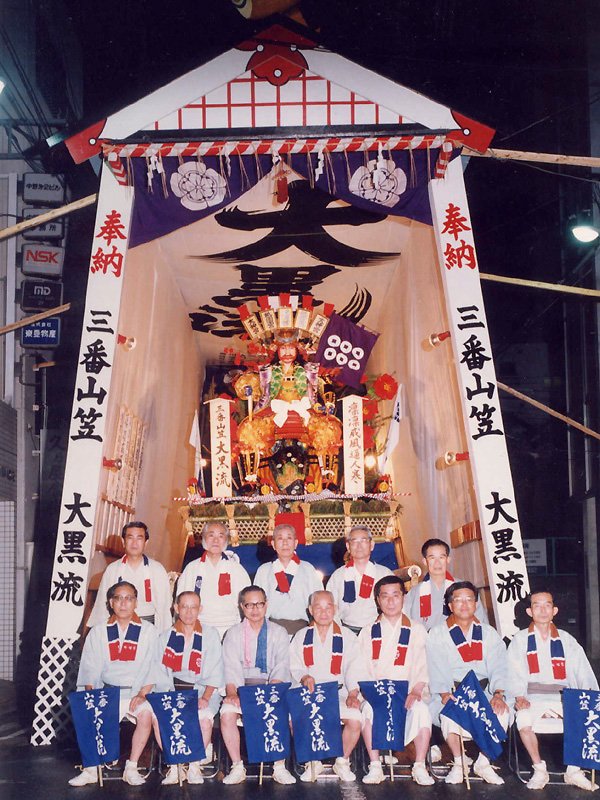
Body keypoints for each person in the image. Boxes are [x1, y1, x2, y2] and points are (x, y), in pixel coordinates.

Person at [507, 589, 599, 791]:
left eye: (547, 605)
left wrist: (589, 698)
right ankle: (539, 769)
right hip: (531, 696)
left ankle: (573, 771)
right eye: (537, 605)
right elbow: (513, 672)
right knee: (523, 719)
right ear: (530, 611)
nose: (542, 610)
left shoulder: (567, 640)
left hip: (564, 697)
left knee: (584, 712)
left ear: (554, 610)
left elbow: (583, 672)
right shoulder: (520, 640)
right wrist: (519, 696)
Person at [69, 582, 157, 787]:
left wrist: (142, 694)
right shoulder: (99, 631)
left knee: (145, 715)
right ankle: (91, 769)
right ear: (111, 602)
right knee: (89, 711)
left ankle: (131, 767)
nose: (123, 603)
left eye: (129, 598)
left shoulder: (148, 631)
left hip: (137, 692)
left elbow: (153, 665)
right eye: (118, 598)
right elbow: (90, 667)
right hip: (107, 691)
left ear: (136, 602)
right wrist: (93, 695)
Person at [426, 581, 509, 785]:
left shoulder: (489, 633)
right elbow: (435, 666)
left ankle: (483, 762)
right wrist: (444, 693)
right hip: (452, 691)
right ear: (450, 605)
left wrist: (498, 694)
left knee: (502, 712)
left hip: (483, 691)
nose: (464, 604)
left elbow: (499, 665)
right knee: (448, 713)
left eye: (469, 599)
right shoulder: (437, 633)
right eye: (458, 600)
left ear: (476, 604)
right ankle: (458, 762)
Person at [357, 575, 434, 785]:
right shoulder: (368, 632)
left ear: (403, 598)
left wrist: (417, 690)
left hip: (408, 692)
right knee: (368, 710)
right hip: (378, 693)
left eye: (395, 595)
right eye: (385, 596)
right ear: (377, 600)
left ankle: (419, 766)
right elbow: (360, 666)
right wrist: (369, 693)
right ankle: (375, 766)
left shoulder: (417, 630)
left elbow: (424, 664)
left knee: (421, 710)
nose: (390, 601)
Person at [220, 585, 295, 785]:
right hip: (242, 689)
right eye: (249, 605)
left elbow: (282, 665)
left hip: (272, 687)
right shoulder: (233, 633)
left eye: (259, 604)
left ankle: (279, 766)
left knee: (279, 709)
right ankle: (237, 766)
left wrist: (271, 692)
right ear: (242, 607)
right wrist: (233, 693)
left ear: (266, 605)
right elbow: (230, 666)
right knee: (227, 714)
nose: (255, 609)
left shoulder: (279, 632)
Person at [151, 591, 224, 785]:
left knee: (204, 721)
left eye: (194, 607)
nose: (189, 612)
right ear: (176, 608)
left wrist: (205, 698)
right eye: (184, 607)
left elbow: (216, 670)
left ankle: (194, 765)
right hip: (172, 690)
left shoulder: (210, 634)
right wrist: (167, 697)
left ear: (200, 609)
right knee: (159, 719)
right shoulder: (165, 636)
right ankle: (175, 766)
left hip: (201, 691)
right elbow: (159, 672)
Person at [289, 590, 363, 782]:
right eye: (318, 608)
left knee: (355, 719)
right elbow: (294, 665)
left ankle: (342, 761)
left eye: (328, 607)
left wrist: (353, 693)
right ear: (310, 610)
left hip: (338, 693)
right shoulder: (301, 636)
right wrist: (304, 676)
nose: (323, 612)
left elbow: (354, 667)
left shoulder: (347, 636)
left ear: (335, 609)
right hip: (309, 693)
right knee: (294, 718)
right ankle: (312, 762)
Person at [87, 521, 173, 631]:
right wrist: (98, 631)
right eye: (130, 538)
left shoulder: (157, 569)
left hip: (148, 628)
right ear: (123, 541)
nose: (134, 543)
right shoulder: (112, 569)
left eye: (139, 538)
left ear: (146, 542)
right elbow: (102, 606)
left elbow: (164, 608)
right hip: (118, 626)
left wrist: (164, 635)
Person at [176, 521, 250, 638]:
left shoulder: (237, 569)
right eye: (211, 535)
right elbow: (180, 603)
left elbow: (247, 603)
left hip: (230, 628)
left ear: (226, 540)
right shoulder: (192, 568)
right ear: (203, 538)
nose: (216, 540)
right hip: (199, 627)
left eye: (220, 536)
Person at [404, 538, 488, 631]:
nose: (437, 563)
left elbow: (480, 621)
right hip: (425, 639)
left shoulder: (464, 589)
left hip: (459, 638)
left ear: (448, 559)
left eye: (441, 557)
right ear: (425, 561)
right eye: (432, 558)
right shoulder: (414, 592)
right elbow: (406, 624)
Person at [254, 522, 323, 635]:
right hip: (271, 630)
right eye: (280, 538)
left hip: (302, 630)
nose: (285, 542)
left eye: (289, 538)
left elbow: (319, 601)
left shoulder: (307, 569)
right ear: (273, 544)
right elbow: (256, 604)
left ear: (295, 543)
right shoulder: (264, 570)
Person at [326, 525, 393, 632]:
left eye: (363, 540)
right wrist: (341, 632)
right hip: (347, 630)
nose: (359, 546)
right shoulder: (338, 576)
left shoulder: (385, 574)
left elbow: (395, 606)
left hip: (379, 630)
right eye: (354, 541)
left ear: (372, 545)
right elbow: (331, 607)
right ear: (348, 546)